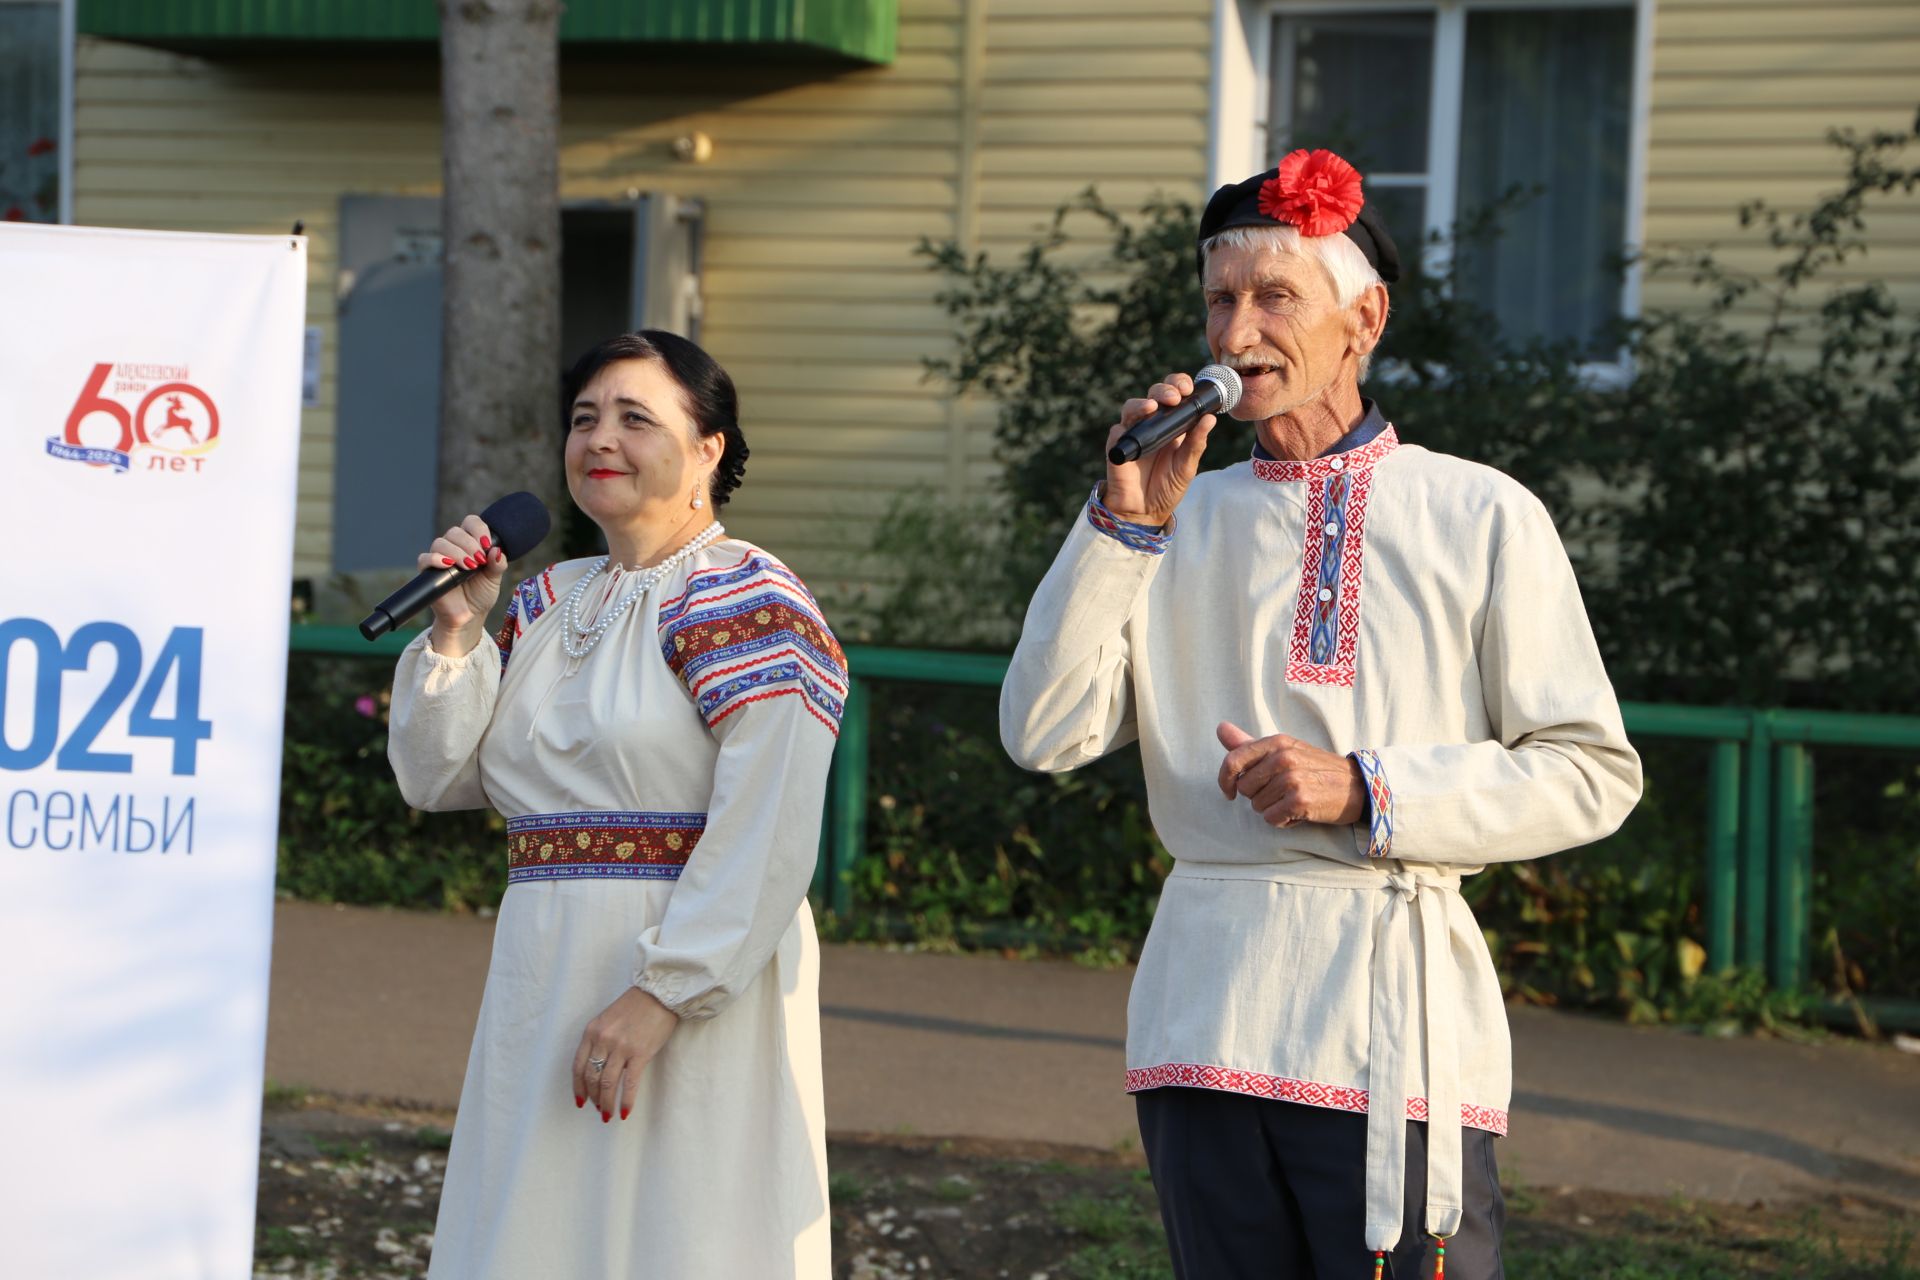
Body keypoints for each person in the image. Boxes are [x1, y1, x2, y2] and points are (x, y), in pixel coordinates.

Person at [999, 149, 1643, 1279]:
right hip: (1202, 1016)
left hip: (1387, 1019)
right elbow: (1041, 730)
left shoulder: (1480, 512)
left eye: (1275, 297)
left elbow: (1592, 771)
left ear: (1364, 319)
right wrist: (1119, 524)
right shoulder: (1171, 518)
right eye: (1218, 300)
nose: (1237, 330)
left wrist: (1368, 785)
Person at [387, 330, 843, 1279]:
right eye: (587, 417)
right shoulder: (548, 596)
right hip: (542, 969)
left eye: (637, 418)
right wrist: (456, 629)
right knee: (534, 1231)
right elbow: (437, 778)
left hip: (681, 979)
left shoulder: (746, 595)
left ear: (709, 449)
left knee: (678, 1231)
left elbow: (770, 822)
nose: (602, 438)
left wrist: (664, 992)